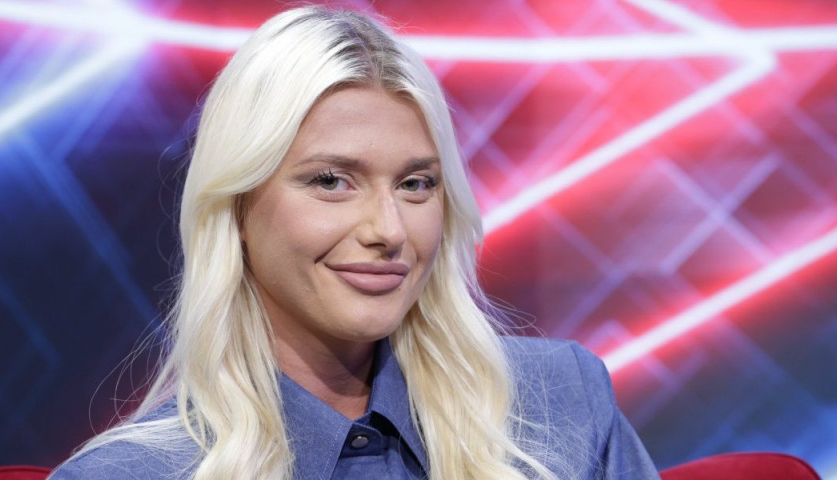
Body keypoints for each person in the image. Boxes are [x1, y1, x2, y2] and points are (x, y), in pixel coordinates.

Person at [52, 6, 659, 480]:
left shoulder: (560, 404)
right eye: (331, 181)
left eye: (416, 184)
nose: (388, 231)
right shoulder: (129, 474)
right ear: (237, 207)